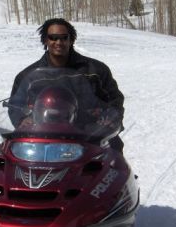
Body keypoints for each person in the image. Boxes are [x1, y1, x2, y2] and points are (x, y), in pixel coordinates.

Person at [10, 18, 125, 153]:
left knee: (115, 166)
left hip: (92, 138)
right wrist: (23, 119)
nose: (58, 42)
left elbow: (114, 99)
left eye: (64, 38)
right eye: (53, 37)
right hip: (44, 140)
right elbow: (15, 104)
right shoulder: (29, 76)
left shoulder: (95, 70)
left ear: (71, 40)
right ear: (45, 40)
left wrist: (111, 117)